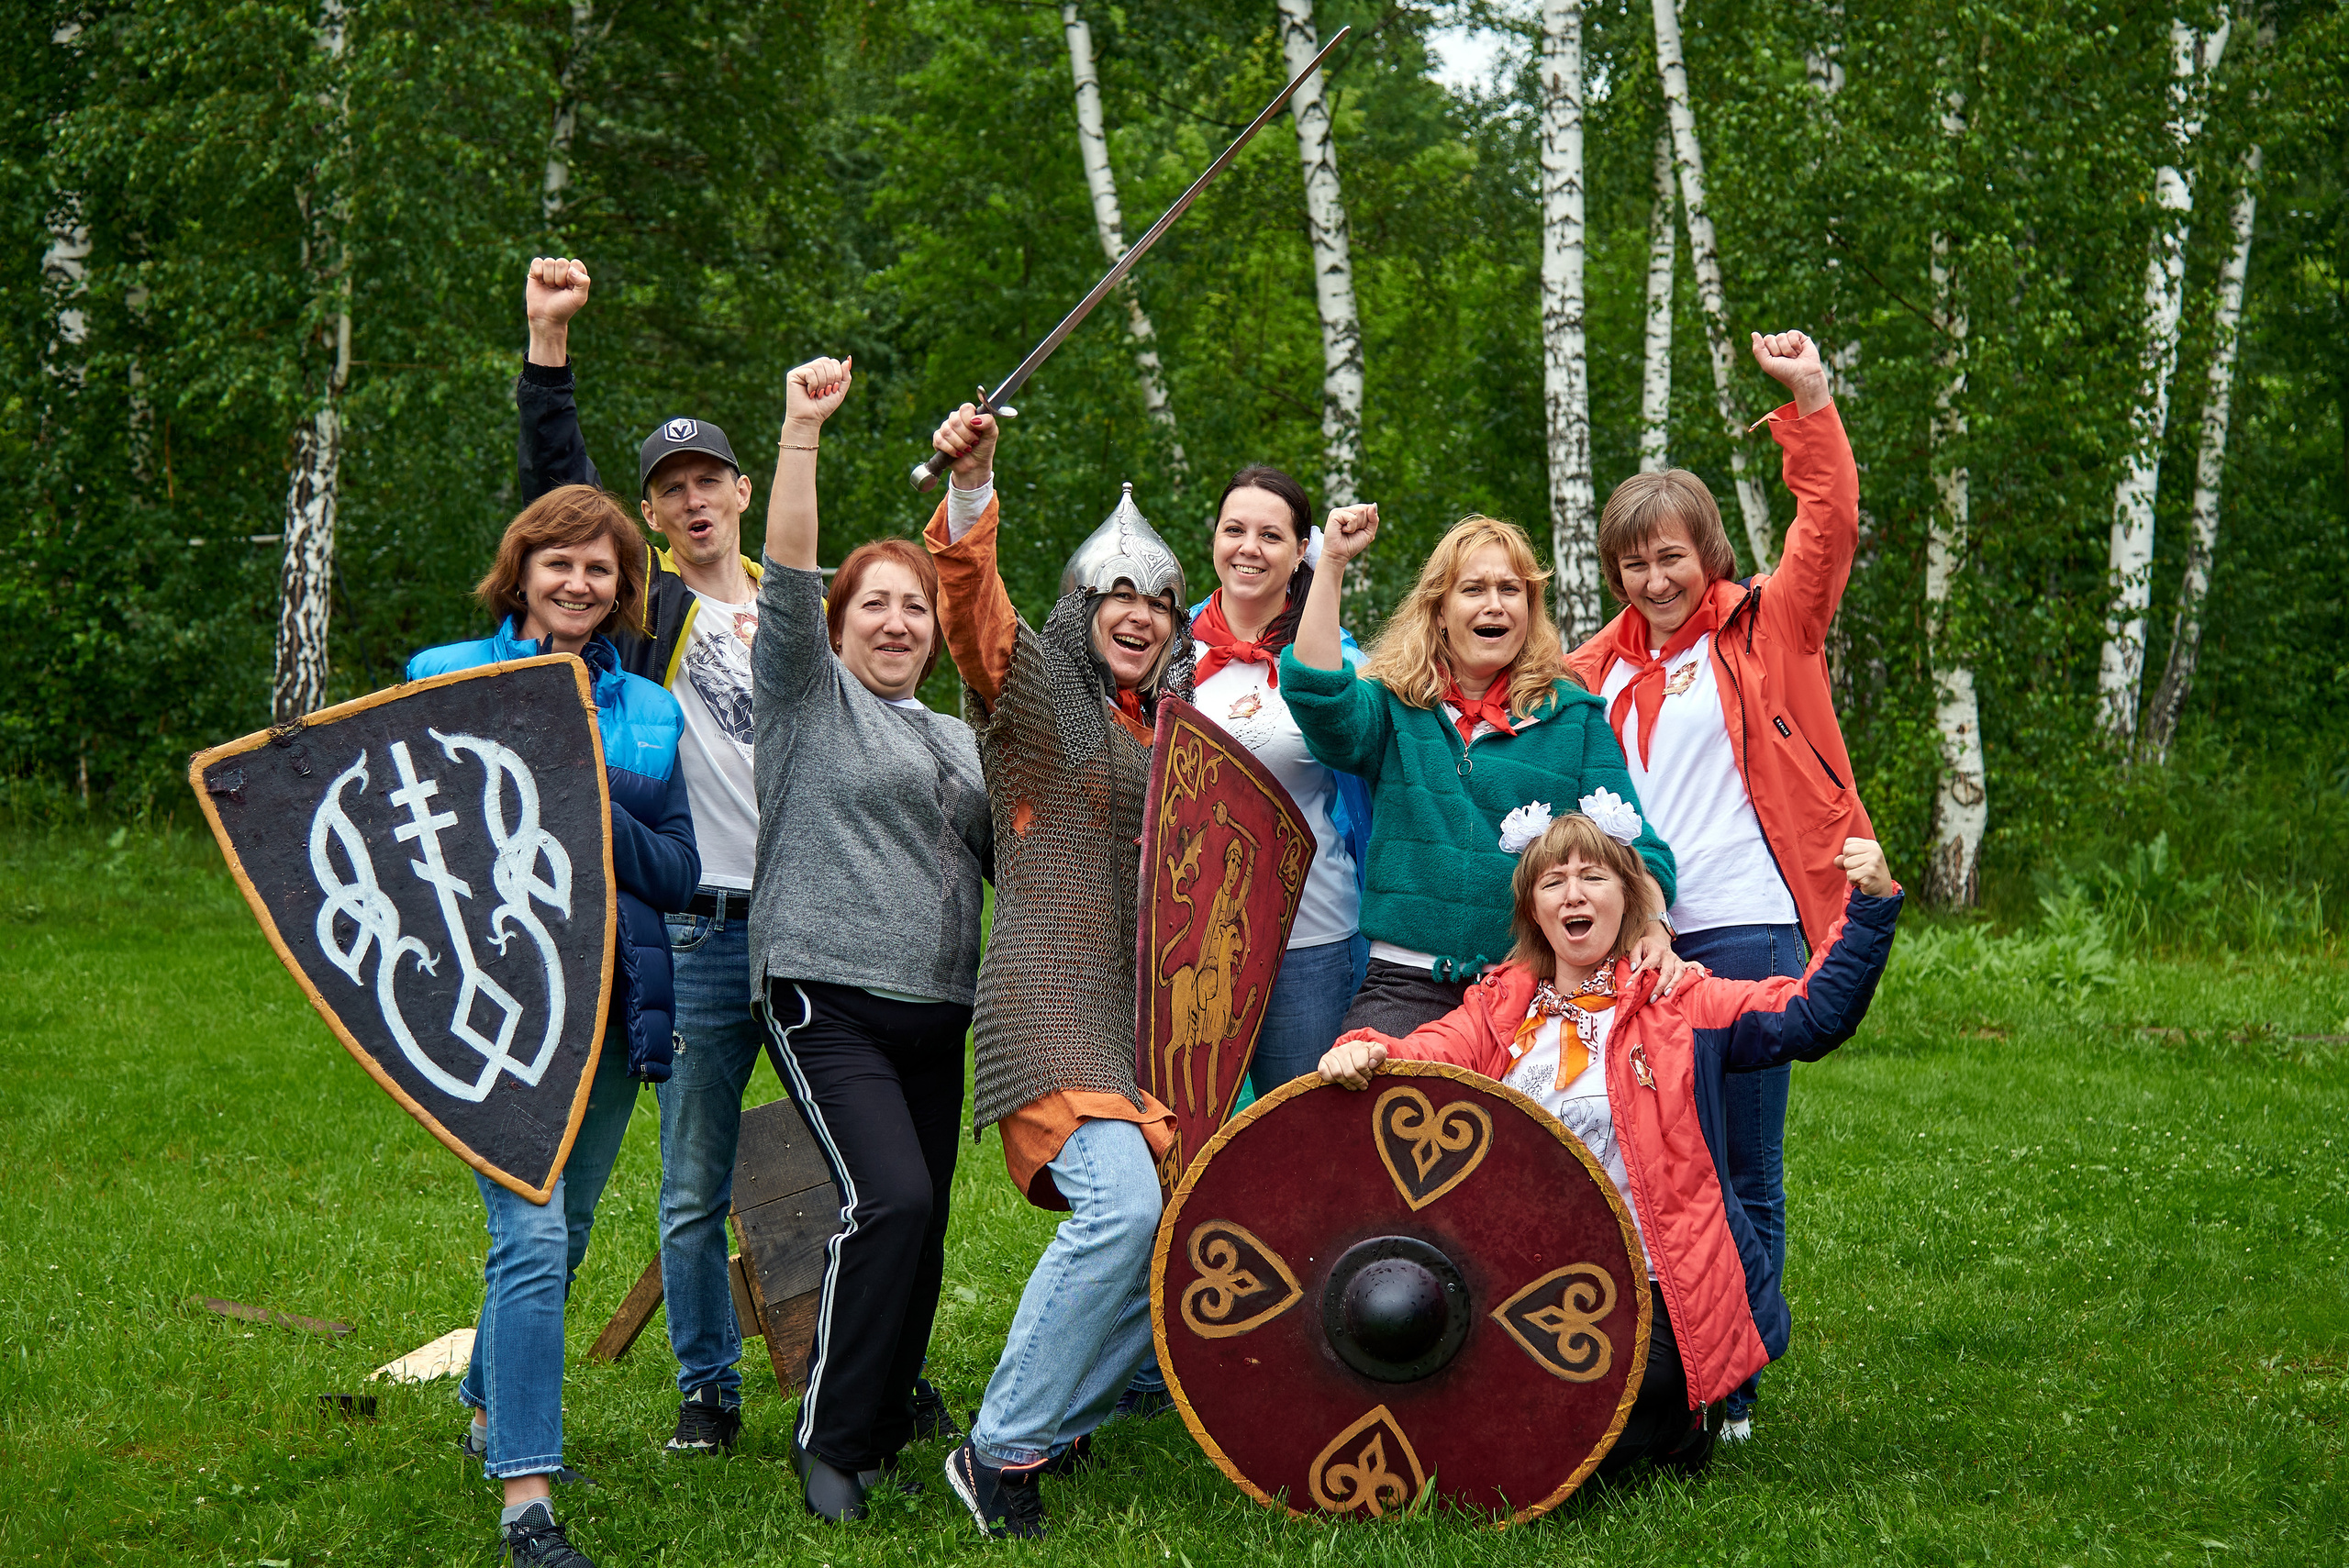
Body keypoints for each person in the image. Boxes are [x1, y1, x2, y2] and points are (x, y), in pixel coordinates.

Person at [515, 258, 962, 1450]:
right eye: (671, 489)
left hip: (820, 929)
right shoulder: (643, 610)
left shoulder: (793, 606)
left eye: (709, 477)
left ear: (744, 487)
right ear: (652, 515)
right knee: (692, 1181)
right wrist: (547, 358)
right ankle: (706, 1391)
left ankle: (880, 1376)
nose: (693, 499)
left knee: (876, 1176)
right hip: (703, 932)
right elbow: (561, 504)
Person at [1317, 805, 1901, 1476]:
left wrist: (1872, 906)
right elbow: (1424, 1055)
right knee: (1470, 1387)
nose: (1573, 893)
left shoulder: (1677, 1001)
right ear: (1533, 908)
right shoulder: (1500, 1006)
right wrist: (1365, 1050)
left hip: (1653, 1282)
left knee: (1585, 1413)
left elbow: (1811, 1014)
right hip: (1516, 1278)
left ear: (1628, 897)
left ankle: (1678, 1423)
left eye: (1592, 875)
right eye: (1552, 880)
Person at [1564, 328, 1869, 1443]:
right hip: (1635, 942)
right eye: (1633, 562)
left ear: (1707, 553)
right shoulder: (1589, 671)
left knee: (1742, 1158)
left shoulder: (1765, 627)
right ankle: (1670, 1347)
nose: (1654, 578)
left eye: (1672, 556)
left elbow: (1825, 529)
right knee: (1655, 1159)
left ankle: (1739, 1366)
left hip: (1745, 926)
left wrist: (1807, 401)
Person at [406, 484, 700, 1568]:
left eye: (601, 569)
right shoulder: (443, 679)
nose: (579, 583)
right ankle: (527, 1494)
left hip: (611, 998)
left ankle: (488, 1402)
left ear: (626, 589)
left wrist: (586, 793)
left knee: (567, 1230)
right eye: (559, 563)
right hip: (488, 1012)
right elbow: (407, 846)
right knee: (528, 1236)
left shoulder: (652, 714)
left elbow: (673, 869)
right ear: (520, 571)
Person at [921, 402, 1187, 1540]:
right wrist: (974, 487)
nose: (1139, 613)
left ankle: (1052, 1424)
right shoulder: (1033, 700)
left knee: (1175, 1237)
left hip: (1137, 1030)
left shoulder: (1170, 728)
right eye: (1118, 596)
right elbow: (974, 614)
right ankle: (997, 1448)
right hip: (1048, 1007)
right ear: (1084, 610)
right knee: (1123, 1209)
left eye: (1160, 600)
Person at [747, 356, 994, 1520]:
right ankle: (832, 1443)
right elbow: (787, 568)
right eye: (875, 604)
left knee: (926, 1216)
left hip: (936, 1007)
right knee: (886, 1199)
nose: (899, 621)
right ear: (836, 628)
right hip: (825, 993)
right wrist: (802, 430)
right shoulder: (806, 696)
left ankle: (889, 1401)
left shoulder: (957, 737)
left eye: (915, 606)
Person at [1279, 507, 1686, 1038]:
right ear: (1440, 611)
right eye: (1473, 589)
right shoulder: (1392, 706)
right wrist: (1330, 562)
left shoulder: (1574, 717)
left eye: (1510, 590)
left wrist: (1654, 921)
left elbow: (1638, 851)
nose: (1494, 604)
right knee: (1360, 1110)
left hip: (1534, 991)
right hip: (1405, 985)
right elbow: (1318, 696)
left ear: (1529, 608)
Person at [1186, 465, 1371, 1095]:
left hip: (1310, 938)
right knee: (1189, 1134)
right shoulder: (1164, 651)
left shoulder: (1337, 660)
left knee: (1305, 1135)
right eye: (1234, 529)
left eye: (1271, 535)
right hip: (1188, 940)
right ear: (1213, 538)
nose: (1249, 547)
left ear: (1299, 552)